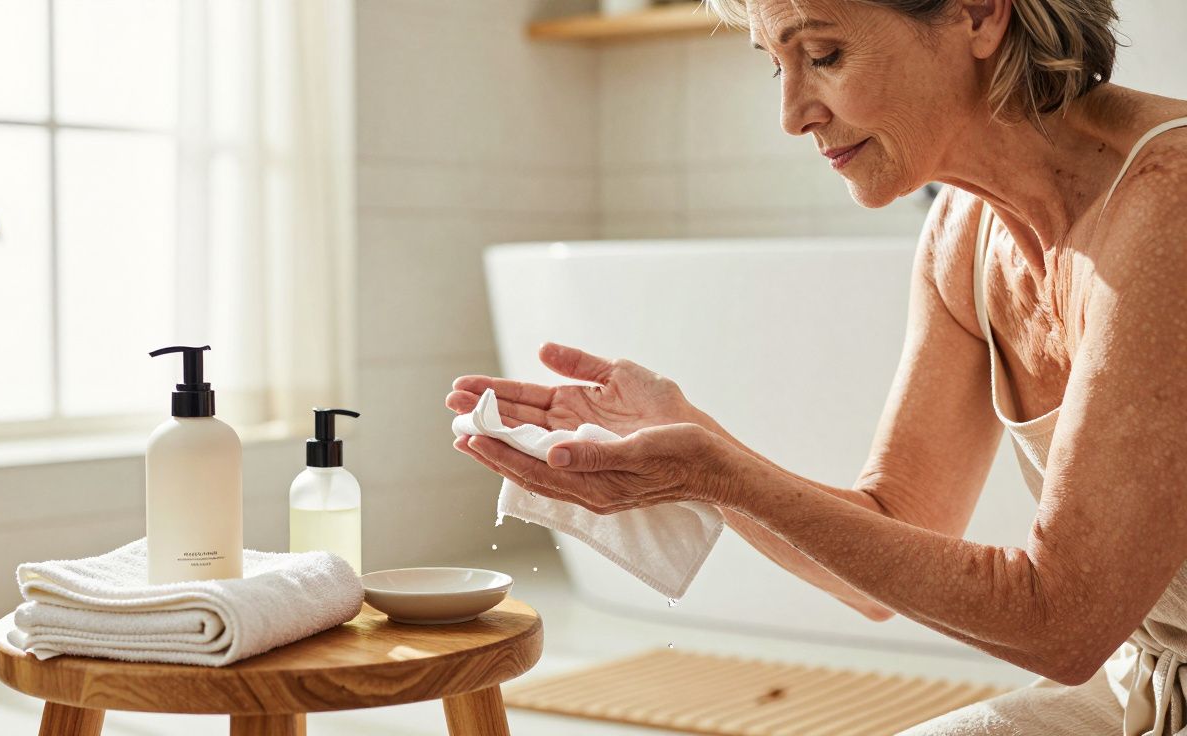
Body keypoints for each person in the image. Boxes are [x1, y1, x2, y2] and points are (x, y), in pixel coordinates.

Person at [446, 0, 1187, 733]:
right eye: (777, 65)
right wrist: (695, 441)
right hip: (1149, 686)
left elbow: (1063, 624)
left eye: (824, 56)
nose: (792, 114)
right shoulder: (964, 236)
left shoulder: (1169, 200)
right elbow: (888, 539)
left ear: (980, 15)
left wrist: (719, 475)